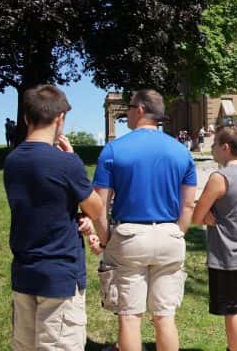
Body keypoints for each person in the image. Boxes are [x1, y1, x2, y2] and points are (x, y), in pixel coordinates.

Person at [92, 89, 197, 351]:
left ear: (139, 109)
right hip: (170, 234)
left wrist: (105, 239)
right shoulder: (181, 151)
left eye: (129, 107)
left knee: (129, 317)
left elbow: (100, 204)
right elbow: (187, 204)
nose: (126, 112)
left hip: (129, 236)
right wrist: (177, 233)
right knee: (164, 317)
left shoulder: (114, 149)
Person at [3, 84, 104, 350]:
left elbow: (47, 203)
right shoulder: (66, 163)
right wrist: (73, 160)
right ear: (60, 118)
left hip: (25, 271)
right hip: (59, 273)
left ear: (26, 118)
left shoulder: (12, 161)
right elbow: (96, 208)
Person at [192, 125, 237, 351]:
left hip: (226, 253)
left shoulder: (220, 177)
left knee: (231, 309)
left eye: (216, 144)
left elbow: (197, 217)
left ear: (225, 147)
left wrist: (203, 211)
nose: (213, 148)